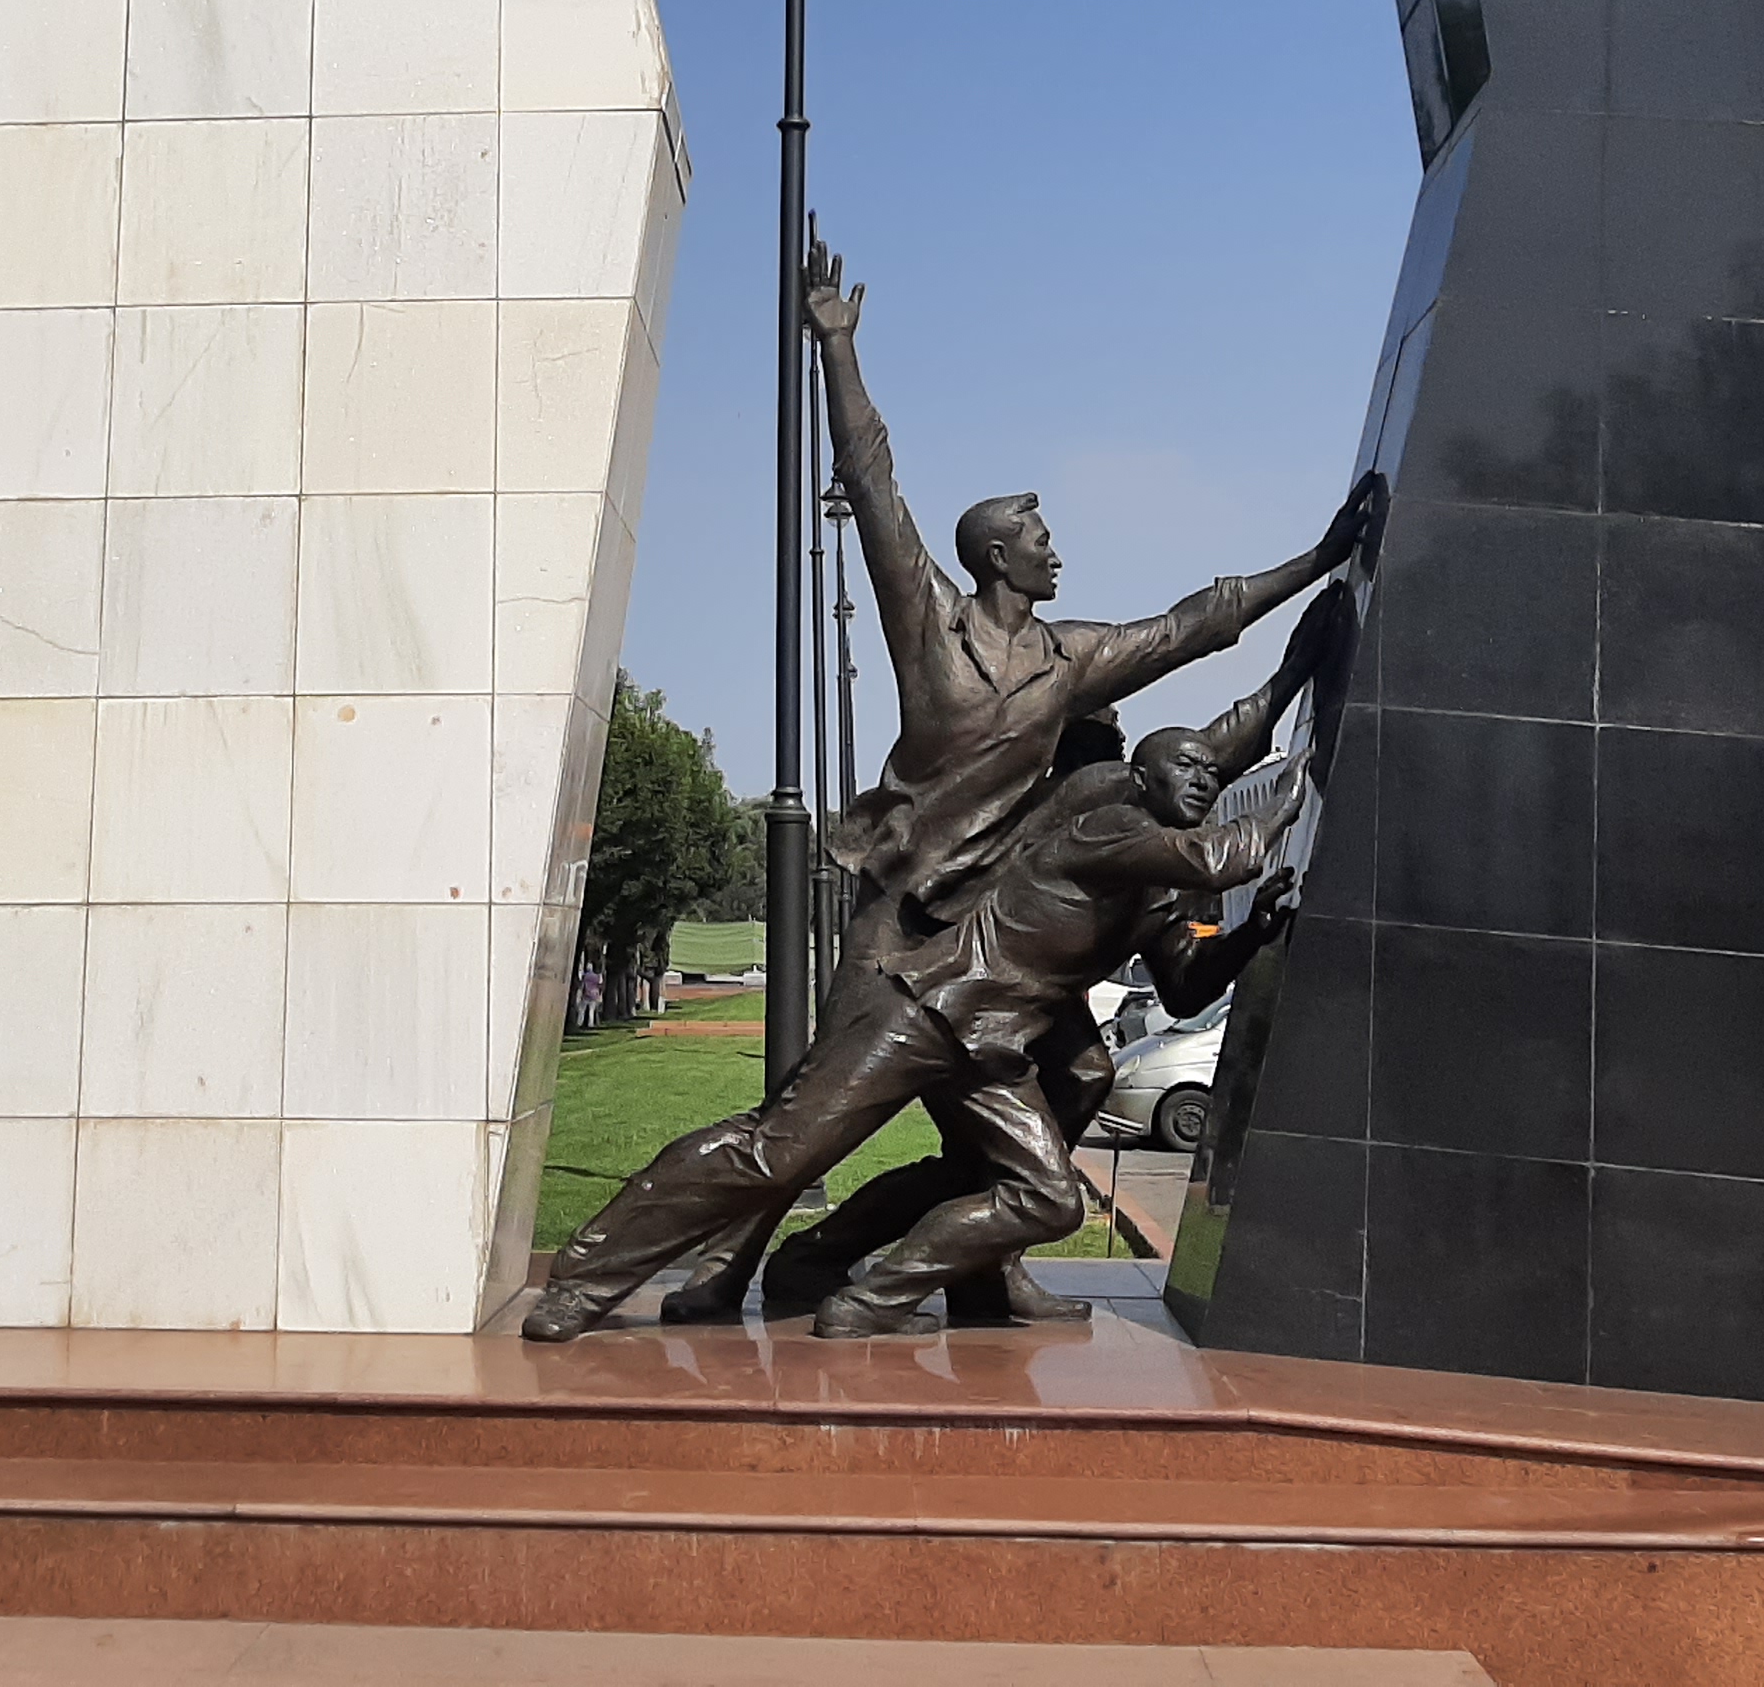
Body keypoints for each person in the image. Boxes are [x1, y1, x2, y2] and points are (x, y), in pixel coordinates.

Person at [661, 238, 1380, 1325]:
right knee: (820, 1109)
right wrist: (837, 350)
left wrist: (1312, 590)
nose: (1058, 552)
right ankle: (736, 1261)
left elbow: (1190, 631)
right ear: (998, 554)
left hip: (1001, 958)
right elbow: (875, 489)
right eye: (1040, 538)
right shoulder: (954, 653)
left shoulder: (1072, 671)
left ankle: (974, 1264)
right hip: (910, 925)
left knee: (1077, 1080)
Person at [525, 586, 1352, 1342]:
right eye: (1185, 769)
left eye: (1210, 775)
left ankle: (868, 1285)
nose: (1205, 779)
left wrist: (1251, 931)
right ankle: (587, 1274)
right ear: (1132, 772)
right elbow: (1221, 823)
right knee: (780, 1150)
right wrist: (1294, 772)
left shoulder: (1155, 871)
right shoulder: (1101, 808)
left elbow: (1187, 979)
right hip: (929, 1006)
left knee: (1038, 1177)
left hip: (994, 1043)